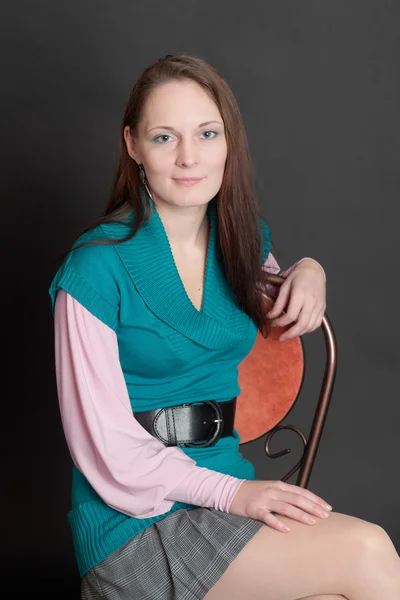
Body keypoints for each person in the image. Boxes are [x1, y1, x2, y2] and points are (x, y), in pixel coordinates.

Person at [48, 54, 400, 600]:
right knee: (367, 550)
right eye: (165, 137)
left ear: (227, 141)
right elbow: (106, 450)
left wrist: (311, 270)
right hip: (136, 520)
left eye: (207, 133)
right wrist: (234, 494)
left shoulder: (240, 239)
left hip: (225, 484)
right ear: (133, 145)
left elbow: (275, 305)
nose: (189, 157)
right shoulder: (94, 268)